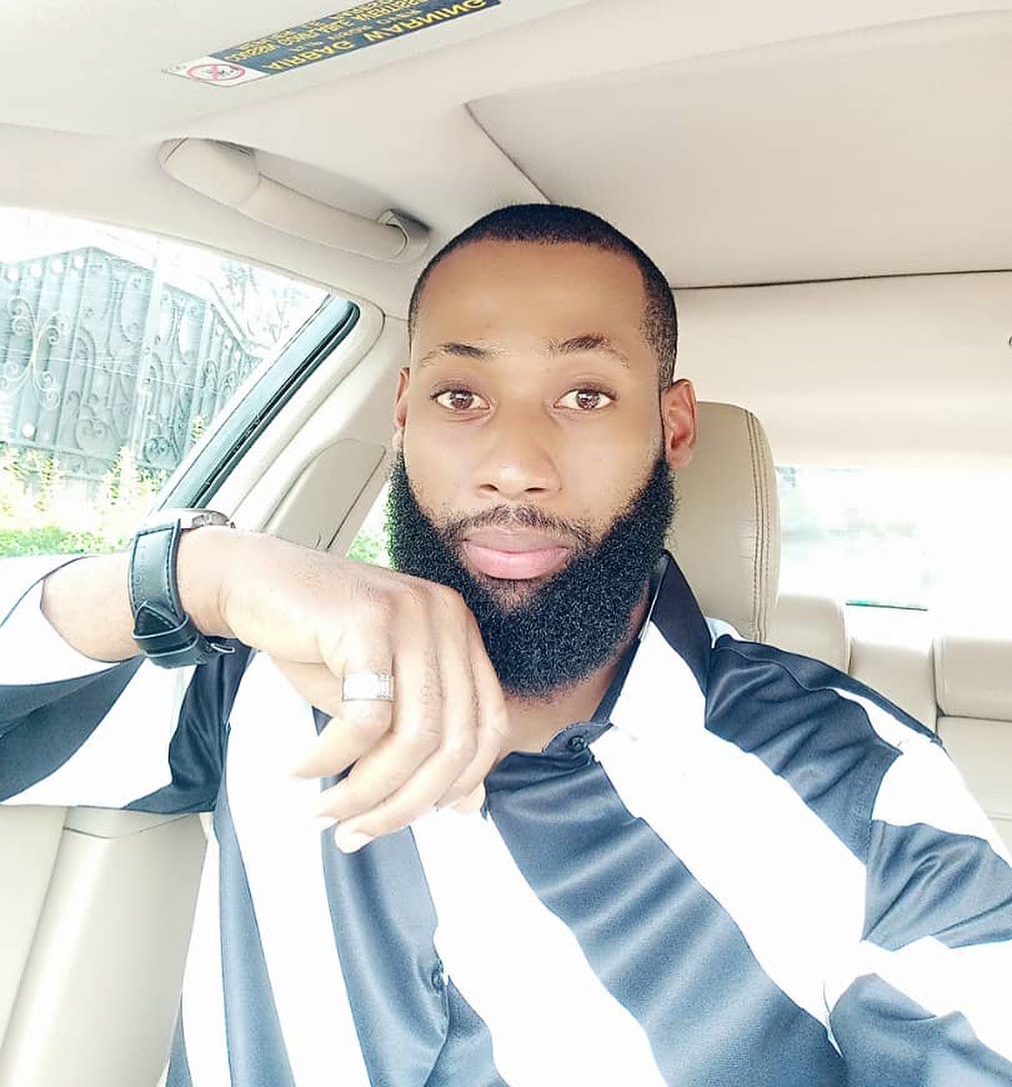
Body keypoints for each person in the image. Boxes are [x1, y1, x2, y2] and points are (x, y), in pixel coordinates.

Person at [2, 204, 1010, 1087]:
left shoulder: (861, 781)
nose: (515, 466)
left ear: (672, 427)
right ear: (404, 415)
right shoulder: (251, 681)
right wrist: (201, 572)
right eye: (460, 397)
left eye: (585, 395)